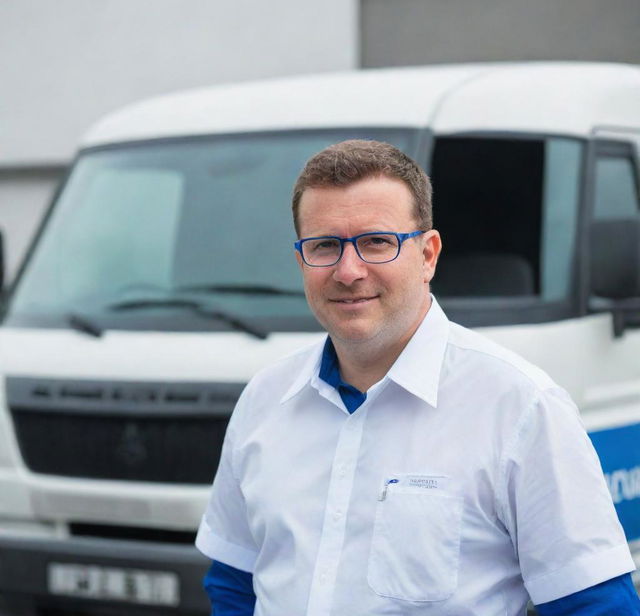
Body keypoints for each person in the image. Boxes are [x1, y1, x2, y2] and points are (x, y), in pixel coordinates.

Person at [196, 140, 640, 615]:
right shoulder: (265, 400)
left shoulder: (520, 406)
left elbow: (596, 605)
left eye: (376, 243)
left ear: (428, 255)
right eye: (324, 245)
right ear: (301, 259)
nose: (348, 272)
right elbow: (233, 583)